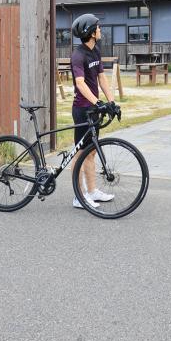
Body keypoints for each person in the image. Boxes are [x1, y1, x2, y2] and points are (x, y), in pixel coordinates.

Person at [70, 13, 118, 209]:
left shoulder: (95, 51)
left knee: (90, 153)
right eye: (97, 28)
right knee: (79, 154)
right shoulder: (78, 55)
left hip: (93, 109)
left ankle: (92, 191)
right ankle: (78, 196)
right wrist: (97, 102)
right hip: (82, 109)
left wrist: (111, 101)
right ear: (90, 32)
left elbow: (102, 78)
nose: (100, 30)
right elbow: (80, 84)